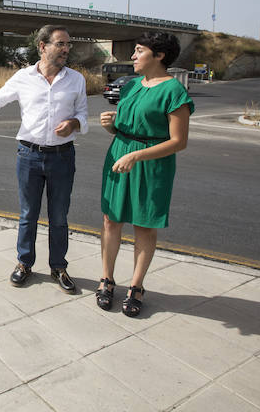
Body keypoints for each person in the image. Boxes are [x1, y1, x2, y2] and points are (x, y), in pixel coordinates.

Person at [0, 25, 88, 292]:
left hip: (62, 157)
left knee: (59, 216)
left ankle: (58, 266)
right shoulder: (23, 77)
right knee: (28, 214)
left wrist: (73, 123)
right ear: (42, 47)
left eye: (67, 45)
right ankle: (24, 263)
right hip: (29, 156)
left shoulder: (76, 80)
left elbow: (83, 115)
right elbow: (1, 97)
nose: (66, 49)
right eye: (60, 44)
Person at [97, 31, 194, 317]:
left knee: (144, 224)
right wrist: (112, 126)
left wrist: (137, 155)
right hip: (120, 155)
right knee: (110, 219)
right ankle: (106, 279)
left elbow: (179, 141)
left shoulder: (174, 92)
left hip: (150, 163)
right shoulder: (131, 86)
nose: (133, 56)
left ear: (159, 55)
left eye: (139, 51)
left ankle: (136, 286)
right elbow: (130, 124)